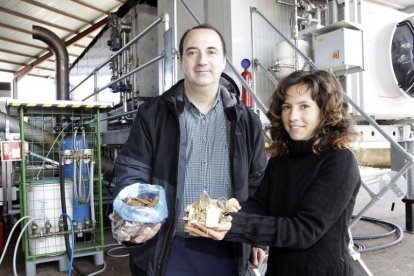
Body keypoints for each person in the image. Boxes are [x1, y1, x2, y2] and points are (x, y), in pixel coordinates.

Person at [113, 24, 268, 276]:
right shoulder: (153, 114)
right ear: (181, 60)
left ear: (224, 60)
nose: (202, 61)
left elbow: (258, 184)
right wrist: (139, 216)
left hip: (227, 246)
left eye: (211, 52)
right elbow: (133, 170)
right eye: (192, 52)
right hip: (169, 245)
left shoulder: (246, 120)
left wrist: (257, 237)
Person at [185, 70, 362, 276]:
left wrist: (231, 225)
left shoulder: (339, 162)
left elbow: (304, 230)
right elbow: (260, 205)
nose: (293, 116)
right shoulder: (281, 160)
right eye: (287, 107)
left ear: (325, 111)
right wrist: (219, 213)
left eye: (304, 106)